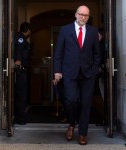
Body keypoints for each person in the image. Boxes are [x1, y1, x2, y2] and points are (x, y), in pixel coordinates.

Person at [53, 5, 100, 145]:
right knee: (71, 100)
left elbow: (97, 55)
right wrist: (57, 71)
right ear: (76, 14)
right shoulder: (65, 30)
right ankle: (72, 124)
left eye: (86, 15)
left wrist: (94, 70)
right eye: (81, 14)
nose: (83, 17)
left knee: (86, 104)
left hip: (87, 74)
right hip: (69, 73)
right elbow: (58, 53)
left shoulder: (93, 31)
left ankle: (83, 134)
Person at [14, 22, 31, 125]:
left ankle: (20, 116)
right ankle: (20, 118)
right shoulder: (20, 38)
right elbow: (18, 50)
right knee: (21, 94)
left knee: (22, 94)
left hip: (23, 69)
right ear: (28, 30)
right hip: (20, 70)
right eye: (30, 30)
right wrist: (18, 60)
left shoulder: (23, 39)